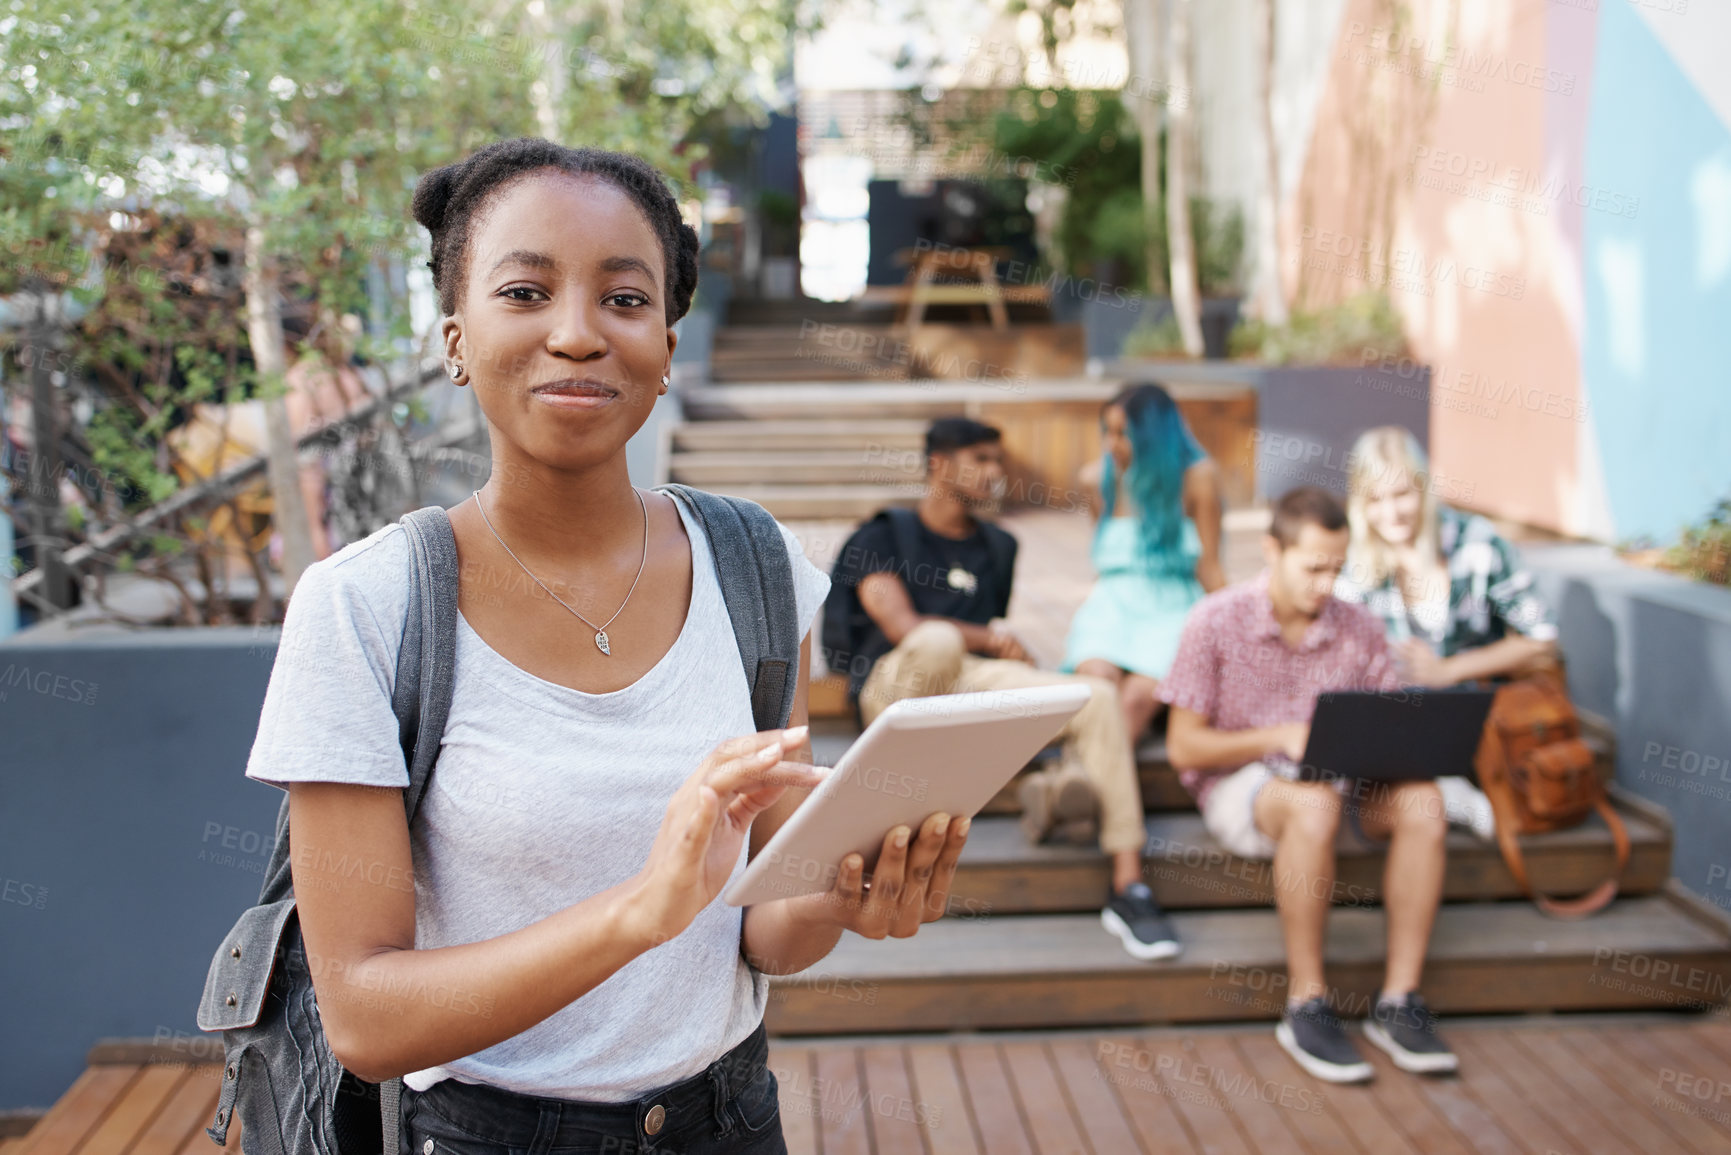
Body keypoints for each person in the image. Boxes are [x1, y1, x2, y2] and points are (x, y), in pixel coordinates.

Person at [245, 138, 972, 1155]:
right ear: (456, 339)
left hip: (729, 1118)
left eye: (626, 301)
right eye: (525, 292)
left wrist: (841, 897)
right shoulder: (366, 607)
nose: (579, 334)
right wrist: (641, 909)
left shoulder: (757, 568)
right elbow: (365, 1019)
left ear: (668, 346)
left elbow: (759, 932)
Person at [824, 417, 1181, 961]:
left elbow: (976, 649)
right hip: (894, 686)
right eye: (980, 459)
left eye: (999, 461)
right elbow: (904, 628)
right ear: (938, 466)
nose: (995, 473)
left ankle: (1128, 885)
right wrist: (994, 638)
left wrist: (1005, 655)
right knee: (940, 640)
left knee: (1095, 695)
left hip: (965, 685)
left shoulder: (998, 547)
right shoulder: (882, 535)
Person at [1160, 485, 1458, 1083]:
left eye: (1337, 568)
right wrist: (1282, 736)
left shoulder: (1359, 627)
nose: (1326, 583)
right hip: (1243, 788)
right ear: (1272, 550)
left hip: (1343, 784)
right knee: (1313, 804)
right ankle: (1306, 1003)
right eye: (1313, 567)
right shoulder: (1214, 620)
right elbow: (1183, 746)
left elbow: (1382, 725)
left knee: (1425, 802)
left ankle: (1399, 1002)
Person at [1336, 426, 1560, 840]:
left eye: (1402, 494)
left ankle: (1450, 790)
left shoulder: (1479, 544)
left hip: (1474, 716)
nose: (1391, 512)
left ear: (1424, 489)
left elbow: (1541, 637)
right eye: (1375, 499)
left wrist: (1450, 670)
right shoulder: (1353, 563)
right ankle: (1441, 794)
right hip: (1393, 722)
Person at [1063, 381, 1225, 744]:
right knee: (1096, 682)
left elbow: (1210, 567)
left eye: (1124, 434)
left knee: (1136, 698)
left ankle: (1078, 783)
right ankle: (1083, 783)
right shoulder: (1097, 478)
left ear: (1154, 435)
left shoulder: (1197, 479)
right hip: (1112, 604)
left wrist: (1239, 630)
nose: (1111, 444)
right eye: (1107, 432)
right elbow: (1104, 558)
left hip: (1171, 610)